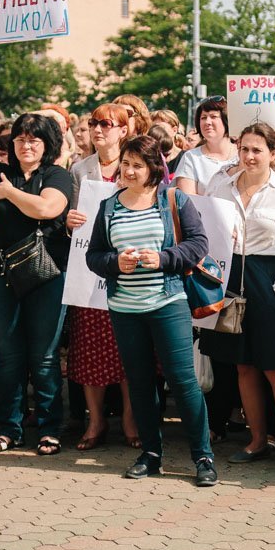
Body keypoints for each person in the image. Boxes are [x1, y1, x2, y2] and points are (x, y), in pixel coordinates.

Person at [85, 134, 218, 486]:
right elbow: (94, 256)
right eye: (125, 164)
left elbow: (198, 244)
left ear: (153, 168)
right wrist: (116, 263)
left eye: (137, 165)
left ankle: (202, 456)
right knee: (141, 384)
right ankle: (151, 454)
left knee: (183, 381)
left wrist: (163, 258)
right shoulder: (109, 207)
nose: (128, 171)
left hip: (167, 302)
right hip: (124, 308)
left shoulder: (174, 199)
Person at [0, 108, 74, 456]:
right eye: (20, 138)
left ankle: (50, 429)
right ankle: (10, 428)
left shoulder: (57, 175)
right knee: (8, 357)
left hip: (46, 275)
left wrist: (9, 195)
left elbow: (47, 209)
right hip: (0, 274)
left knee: (45, 357)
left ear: (48, 143)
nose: (26, 144)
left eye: (34, 138)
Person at [205, 122, 275, 477]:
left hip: (270, 281)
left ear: (273, 154)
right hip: (230, 280)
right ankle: (256, 440)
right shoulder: (219, 186)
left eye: (257, 150)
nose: (249, 156)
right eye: (245, 149)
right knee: (244, 367)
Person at [65, 103, 138, 450]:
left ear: (123, 129)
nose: (97, 130)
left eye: (105, 124)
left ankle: (129, 417)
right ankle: (95, 421)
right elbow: (72, 216)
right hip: (89, 269)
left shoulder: (137, 163)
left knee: (130, 347)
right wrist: (70, 222)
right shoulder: (80, 169)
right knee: (90, 345)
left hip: (131, 267)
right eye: (93, 123)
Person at [175, 97, 236, 196]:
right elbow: (187, 202)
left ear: (226, 120)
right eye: (203, 117)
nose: (207, 122)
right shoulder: (191, 158)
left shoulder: (244, 154)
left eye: (213, 116)